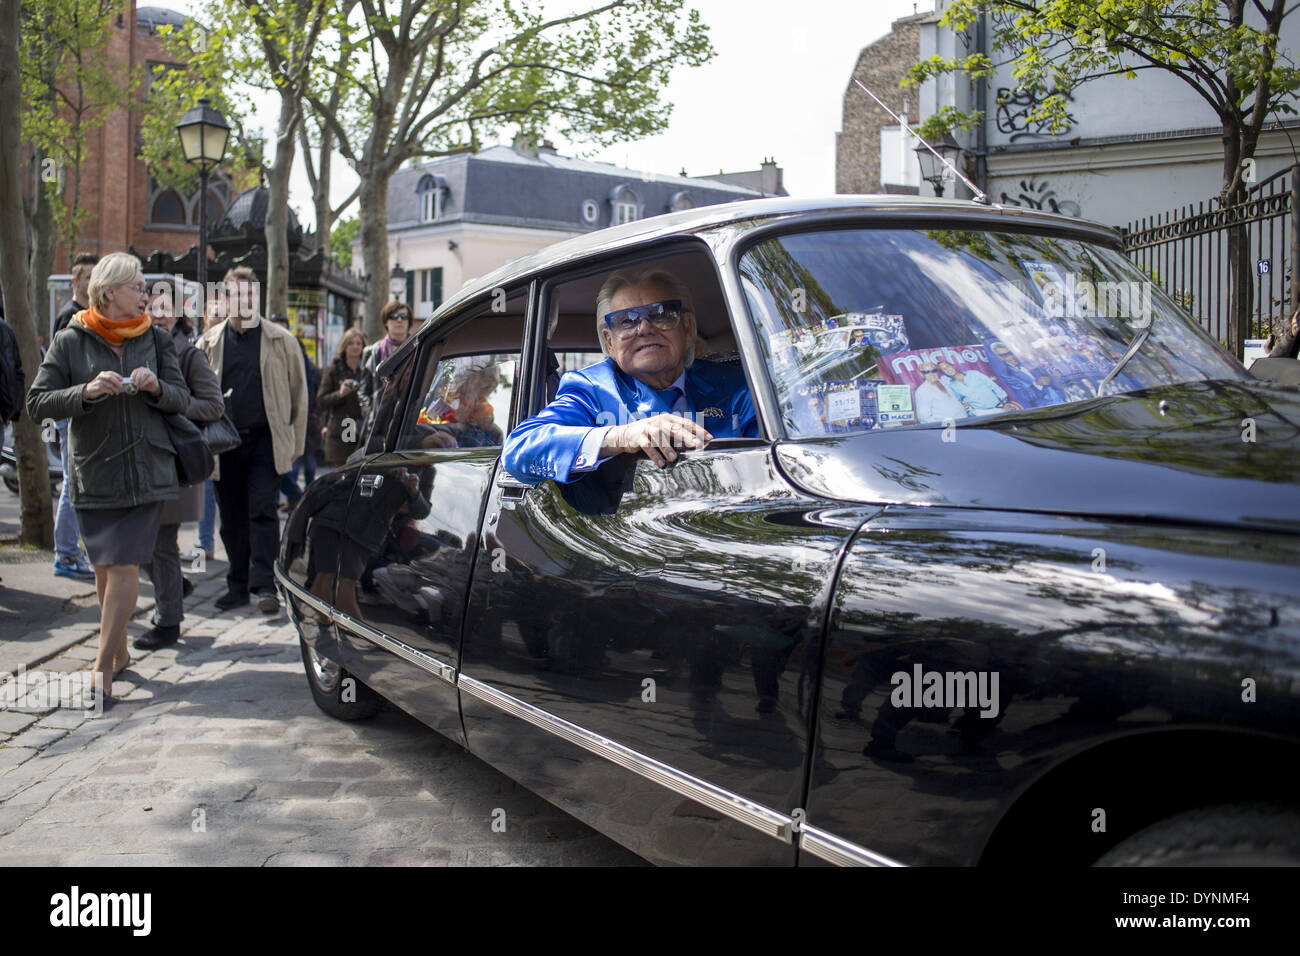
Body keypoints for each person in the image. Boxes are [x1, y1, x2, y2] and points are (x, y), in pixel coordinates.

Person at [26, 252, 191, 704]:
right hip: (93, 472)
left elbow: (183, 399)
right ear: (109, 292)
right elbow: (37, 402)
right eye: (137, 286)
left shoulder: (156, 341)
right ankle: (117, 653)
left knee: (122, 566)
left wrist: (157, 388)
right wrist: (87, 391)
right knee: (103, 570)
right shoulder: (71, 340)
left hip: (144, 472)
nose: (145, 294)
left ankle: (100, 671)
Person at [503, 268, 757, 483]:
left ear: (687, 328)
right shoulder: (591, 389)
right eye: (626, 321)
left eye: (660, 314)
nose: (644, 327)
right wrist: (623, 436)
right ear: (609, 342)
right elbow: (520, 449)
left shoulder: (735, 384)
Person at [197, 267, 307, 614]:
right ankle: (238, 584)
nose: (243, 302)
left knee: (262, 511)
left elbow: (299, 396)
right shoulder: (209, 343)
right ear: (225, 298)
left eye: (249, 295)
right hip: (224, 443)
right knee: (231, 519)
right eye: (236, 295)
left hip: (265, 440)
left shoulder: (281, 341)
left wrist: (294, 446)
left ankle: (264, 585)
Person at [136, 281, 224, 650]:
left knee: (161, 543)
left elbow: (213, 406)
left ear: (177, 312)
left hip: (173, 462)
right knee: (137, 545)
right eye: (151, 308)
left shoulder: (189, 355)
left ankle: (168, 621)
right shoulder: (134, 347)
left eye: (165, 308)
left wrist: (168, 398)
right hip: (138, 461)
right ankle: (174, 587)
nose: (158, 315)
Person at [51, 253, 99, 581]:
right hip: (72, 411)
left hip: (86, 409)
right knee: (72, 483)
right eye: (87, 277)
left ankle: (74, 550)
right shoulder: (70, 317)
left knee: (79, 483)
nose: (92, 283)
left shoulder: (90, 314)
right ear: (75, 282)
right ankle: (66, 555)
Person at [270, 314, 320, 508]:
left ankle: (299, 499)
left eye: (282, 327)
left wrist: (309, 415)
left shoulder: (295, 349)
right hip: (272, 420)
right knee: (281, 470)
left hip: (295, 420)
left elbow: (305, 386)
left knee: (302, 465)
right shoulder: (265, 350)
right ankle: (291, 499)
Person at [317, 327, 367, 466]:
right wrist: (340, 394)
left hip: (362, 428)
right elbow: (321, 400)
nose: (355, 347)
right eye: (351, 343)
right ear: (344, 346)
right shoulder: (333, 370)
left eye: (358, 343)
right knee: (343, 475)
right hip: (342, 429)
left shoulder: (367, 369)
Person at [359, 301, 414, 418]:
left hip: (407, 417)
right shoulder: (372, 351)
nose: (399, 320)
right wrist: (371, 413)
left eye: (404, 316)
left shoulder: (418, 349)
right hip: (380, 420)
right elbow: (363, 391)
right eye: (394, 316)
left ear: (409, 321)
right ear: (386, 321)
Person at [936, 359, 1020, 414]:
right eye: (944, 369)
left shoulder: (974, 374)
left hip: (999, 407)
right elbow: (959, 401)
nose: (948, 370)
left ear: (953, 366)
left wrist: (1005, 403)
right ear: (943, 373)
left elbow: (993, 386)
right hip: (980, 413)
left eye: (947, 366)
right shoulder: (952, 386)